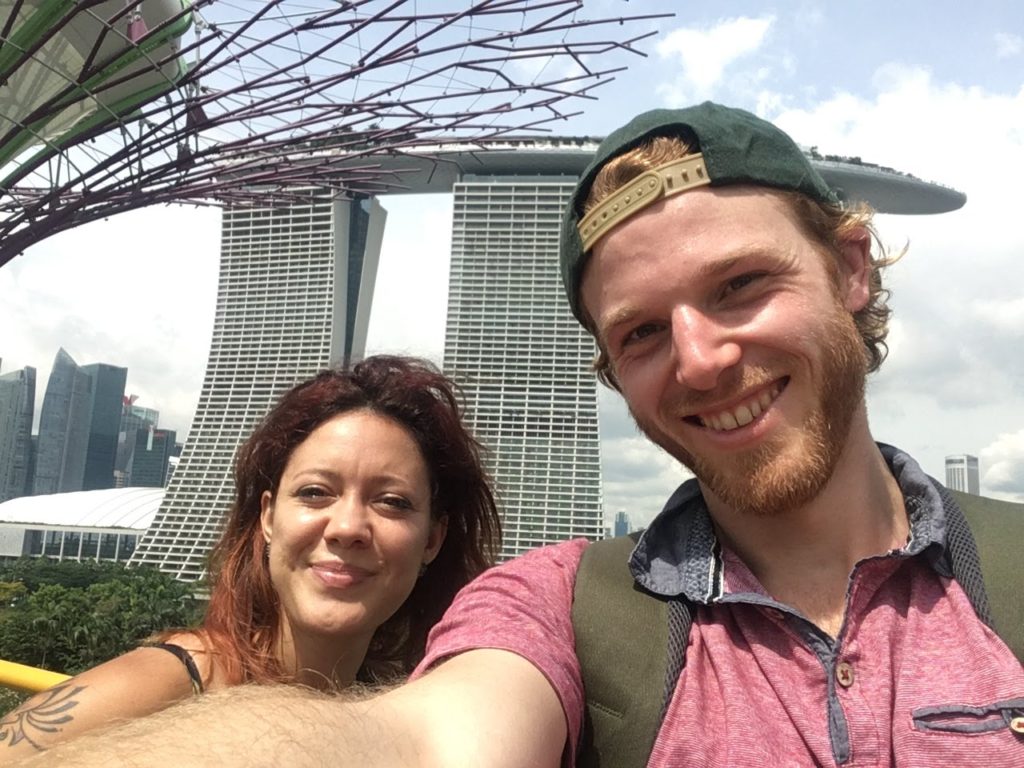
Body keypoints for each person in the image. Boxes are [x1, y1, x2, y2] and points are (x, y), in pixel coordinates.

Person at [13, 103, 1023, 767]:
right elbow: (423, 743)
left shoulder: (1007, 576)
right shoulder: (565, 613)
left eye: (741, 286)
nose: (702, 359)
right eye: (638, 332)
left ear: (850, 270)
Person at [0, 355, 499, 761]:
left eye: (392, 502)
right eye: (315, 492)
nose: (348, 528)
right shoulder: (171, 684)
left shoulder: (402, 711)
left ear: (432, 539)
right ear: (267, 517)